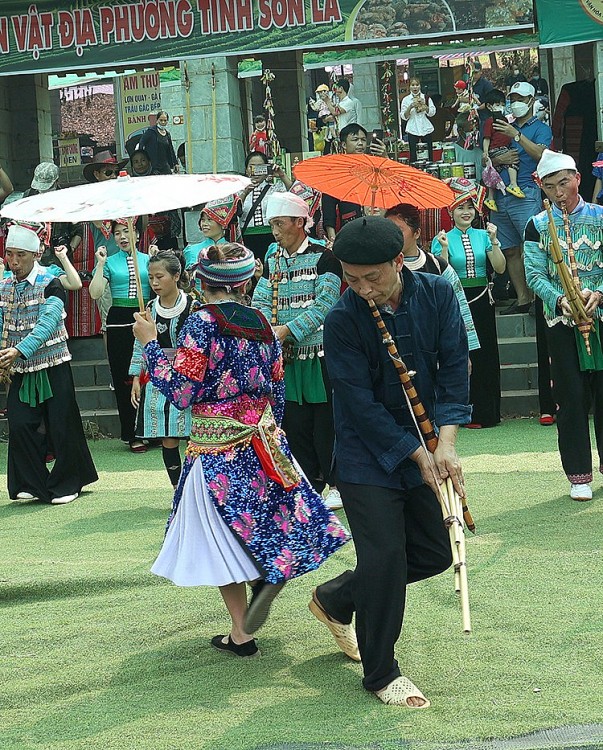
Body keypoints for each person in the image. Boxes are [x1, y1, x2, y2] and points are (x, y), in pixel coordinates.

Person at [133, 242, 349, 656]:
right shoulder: (262, 322)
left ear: (201, 281)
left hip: (213, 445)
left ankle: (242, 632)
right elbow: (277, 387)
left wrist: (150, 345)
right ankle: (265, 577)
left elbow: (182, 391)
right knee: (260, 519)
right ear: (248, 281)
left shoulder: (201, 324)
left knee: (215, 535)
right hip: (261, 439)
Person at [310, 216, 469, 707]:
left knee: (436, 553)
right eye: (351, 279)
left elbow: (455, 370)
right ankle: (381, 672)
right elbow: (358, 403)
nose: (361, 289)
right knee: (384, 558)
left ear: (399, 260)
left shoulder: (439, 294)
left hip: (426, 439)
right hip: (366, 455)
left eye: (371, 277)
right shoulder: (342, 319)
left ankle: (337, 599)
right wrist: (415, 452)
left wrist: (445, 444)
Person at [252, 193, 343, 510]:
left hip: (318, 355)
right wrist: (263, 329)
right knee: (294, 424)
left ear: (300, 222)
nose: (275, 231)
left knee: (325, 423)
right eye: (272, 224)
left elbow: (326, 305)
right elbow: (261, 300)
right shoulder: (272, 258)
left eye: (280, 223)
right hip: (285, 357)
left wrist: (287, 331)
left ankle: (334, 483)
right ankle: (307, 485)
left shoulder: (325, 258)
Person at [524, 150, 603, 501]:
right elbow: (534, 274)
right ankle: (578, 475)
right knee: (569, 397)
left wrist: (597, 293)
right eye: (551, 186)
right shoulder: (537, 224)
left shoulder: (601, 217)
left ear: (577, 179)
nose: (559, 193)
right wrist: (560, 300)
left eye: (564, 183)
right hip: (560, 320)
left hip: (600, 315)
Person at [0, 224, 98, 504]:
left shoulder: (51, 282)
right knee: (20, 424)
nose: (14, 261)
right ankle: (31, 482)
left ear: (36, 254)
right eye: (9, 254)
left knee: (61, 423)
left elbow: (48, 322)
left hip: (52, 363)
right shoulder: (4, 285)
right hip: (17, 365)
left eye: (20, 255)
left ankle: (69, 482)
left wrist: (19, 350)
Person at [433, 178, 506, 428]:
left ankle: (490, 412)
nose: (466, 213)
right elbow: (440, 275)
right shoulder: (441, 238)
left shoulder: (484, 236)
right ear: (450, 211)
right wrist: (443, 250)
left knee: (487, 354)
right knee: (462, 354)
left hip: (483, 301)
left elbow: (499, 267)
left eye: (470, 208)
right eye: (460, 208)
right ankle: (466, 413)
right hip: (456, 301)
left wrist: (495, 240)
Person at [130, 250, 200, 489]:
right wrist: (137, 378)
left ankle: (198, 490)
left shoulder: (193, 306)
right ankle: (177, 489)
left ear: (176, 274)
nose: (155, 282)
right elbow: (140, 345)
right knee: (168, 438)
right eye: (150, 277)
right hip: (159, 380)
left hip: (189, 378)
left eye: (160, 276)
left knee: (196, 436)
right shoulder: (148, 307)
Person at [489, 81, 552, 315]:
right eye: (512, 97)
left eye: (520, 98)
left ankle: (539, 298)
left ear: (531, 100)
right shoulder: (505, 124)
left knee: (532, 246)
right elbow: (489, 154)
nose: (515, 102)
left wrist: (516, 136)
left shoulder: (540, 128)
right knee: (510, 249)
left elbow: (542, 155)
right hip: (500, 192)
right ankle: (523, 298)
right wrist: (498, 159)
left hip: (526, 191)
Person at [89, 218, 152, 452]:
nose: (123, 237)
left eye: (127, 231)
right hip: (118, 321)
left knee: (150, 374)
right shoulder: (109, 262)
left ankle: (153, 430)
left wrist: (155, 262)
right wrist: (99, 264)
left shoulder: (148, 259)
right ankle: (132, 433)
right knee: (124, 377)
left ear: (136, 233)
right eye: (117, 233)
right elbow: (95, 293)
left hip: (146, 316)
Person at [383, 203, 480, 352]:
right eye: (387, 230)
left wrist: (464, 351)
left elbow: (459, 307)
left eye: (399, 230)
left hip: (435, 346)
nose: (392, 236)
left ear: (417, 233)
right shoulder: (382, 268)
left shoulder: (437, 265)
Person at [69, 151, 130, 337]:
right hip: (106, 267)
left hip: (129, 265)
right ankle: (113, 365)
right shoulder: (93, 202)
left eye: (115, 172)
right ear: (97, 175)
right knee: (109, 323)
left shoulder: (125, 198)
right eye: (108, 173)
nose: (113, 176)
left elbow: (141, 226)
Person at [322, 123, 387, 241]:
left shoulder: (374, 165)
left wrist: (384, 158)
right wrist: (332, 238)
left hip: (376, 225)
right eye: (355, 140)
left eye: (363, 140)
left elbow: (389, 185)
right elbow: (328, 207)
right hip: (350, 228)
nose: (360, 143)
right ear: (344, 145)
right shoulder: (336, 171)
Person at [239, 151, 292, 262]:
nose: (255, 171)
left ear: (267, 168)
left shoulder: (274, 189)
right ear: (246, 169)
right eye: (251, 167)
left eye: (260, 167)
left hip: (271, 236)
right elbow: (234, 212)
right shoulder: (239, 190)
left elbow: (294, 195)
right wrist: (245, 193)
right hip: (246, 238)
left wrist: (282, 175)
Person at [482, 89, 525, 212]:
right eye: (497, 104)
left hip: (504, 147)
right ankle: (513, 184)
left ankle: (490, 198)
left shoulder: (505, 120)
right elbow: (486, 138)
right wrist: (485, 152)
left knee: (493, 174)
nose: (500, 107)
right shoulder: (490, 122)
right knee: (512, 160)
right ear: (489, 106)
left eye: (502, 104)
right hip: (496, 149)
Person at [400, 77, 436, 163]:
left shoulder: (426, 98)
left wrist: (425, 107)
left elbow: (432, 112)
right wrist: (411, 106)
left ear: (420, 86)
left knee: (429, 153)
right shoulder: (406, 100)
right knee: (413, 155)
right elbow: (404, 116)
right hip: (412, 128)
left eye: (417, 85)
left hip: (426, 128)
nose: (415, 87)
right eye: (413, 85)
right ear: (410, 87)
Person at [138, 111, 178, 175]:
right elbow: (141, 143)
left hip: (165, 165)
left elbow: (171, 150)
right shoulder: (151, 131)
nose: (163, 122)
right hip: (154, 166)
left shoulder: (167, 134)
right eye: (161, 120)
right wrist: (143, 161)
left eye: (165, 120)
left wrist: (175, 163)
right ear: (157, 120)